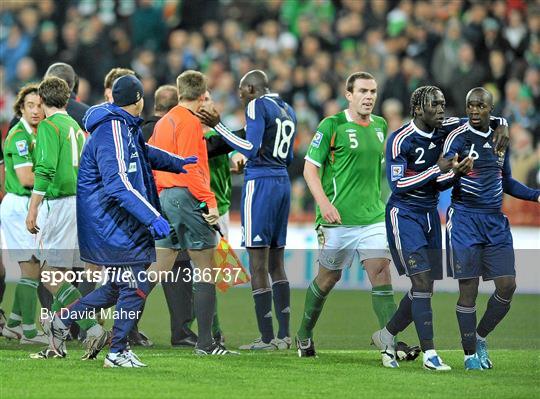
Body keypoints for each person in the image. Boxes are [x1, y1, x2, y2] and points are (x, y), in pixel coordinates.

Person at [44, 74, 197, 367]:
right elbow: (118, 185)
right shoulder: (112, 128)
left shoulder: (122, 125)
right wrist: (152, 217)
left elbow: (143, 153)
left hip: (117, 220)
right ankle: (117, 352)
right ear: (139, 100)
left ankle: (61, 321)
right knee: (137, 284)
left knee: (116, 288)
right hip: (112, 222)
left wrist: (176, 163)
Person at [372, 85, 508, 370]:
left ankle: (385, 336)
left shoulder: (445, 126)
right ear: (418, 109)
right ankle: (430, 355)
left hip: (431, 214)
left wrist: (503, 124)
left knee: (426, 286)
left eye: (443, 104)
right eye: (434, 105)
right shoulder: (400, 140)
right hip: (404, 214)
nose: (440, 110)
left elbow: (484, 118)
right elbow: (397, 186)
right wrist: (439, 170)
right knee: (421, 282)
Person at [293, 72, 411, 361]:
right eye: (362, 91)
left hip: (372, 217)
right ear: (349, 94)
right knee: (328, 278)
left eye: (373, 91)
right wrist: (324, 204)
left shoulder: (382, 126)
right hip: (338, 219)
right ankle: (304, 335)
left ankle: (388, 342)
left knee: (380, 271)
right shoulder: (332, 125)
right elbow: (310, 169)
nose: (369, 96)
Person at [199, 70, 296, 350]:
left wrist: (219, 126)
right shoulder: (286, 109)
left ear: (252, 88)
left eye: (242, 92)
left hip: (261, 184)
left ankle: (266, 338)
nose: (240, 97)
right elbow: (287, 156)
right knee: (277, 263)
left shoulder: (256, 105)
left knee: (258, 262)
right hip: (282, 182)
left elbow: (251, 149)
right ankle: (284, 335)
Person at [443, 87, 539, 370]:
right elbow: (445, 162)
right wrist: (454, 166)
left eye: (480, 106)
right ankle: (469, 354)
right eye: (470, 105)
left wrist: (535, 195)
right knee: (468, 290)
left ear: (491, 109)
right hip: (464, 220)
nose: (474, 110)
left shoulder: (500, 138)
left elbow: (506, 180)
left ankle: (481, 336)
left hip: (495, 221)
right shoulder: (459, 135)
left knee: (508, 285)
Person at [149, 70, 236, 355]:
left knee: (157, 269)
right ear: (202, 95)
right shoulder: (190, 123)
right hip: (186, 198)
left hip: (164, 198)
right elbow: (191, 168)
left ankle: (122, 330)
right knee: (204, 268)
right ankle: (206, 343)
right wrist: (209, 202)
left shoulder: (164, 122)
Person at [24, 77, 108, 360]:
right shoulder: (75, 126)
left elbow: (45, 170)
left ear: (44, 99)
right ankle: (57, 344)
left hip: (59, 205)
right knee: (63, 273)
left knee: (48, 274)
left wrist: (33, 207)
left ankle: (91, 328)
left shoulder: (49, 126)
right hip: (80, 204)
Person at [1, 84, 48, 344]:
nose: (35, 110)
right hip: (19, 204)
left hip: (31, 205)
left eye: (40, 105)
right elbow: (26, 177)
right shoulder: (20, 136)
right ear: (21, 108)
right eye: (30, 105)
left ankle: (15, 323)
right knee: (30, 267)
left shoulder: (39, 133)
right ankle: (30, 333)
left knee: (34, 266)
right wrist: (57, 180)